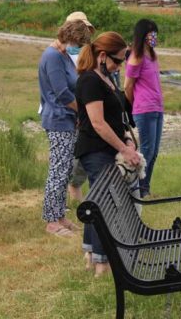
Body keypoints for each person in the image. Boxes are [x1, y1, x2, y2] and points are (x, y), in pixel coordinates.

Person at [75, 31, 142, 276]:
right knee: (105, 205)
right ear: (102, 56)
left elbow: (116, 119)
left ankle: (91, 253)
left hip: (110, 148)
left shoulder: (108, 79)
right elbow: (98, 123)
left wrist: (126, 138)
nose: (120, 66)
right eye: (118, 60)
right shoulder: (89, 81)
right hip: (94, 150)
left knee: (96, 202)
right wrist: (124, 149)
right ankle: (102, 265)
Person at [38, 20, 92, 237]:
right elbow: (62, 93)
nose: (78, 47)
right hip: (58, 119)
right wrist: (83, 111)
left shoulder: (63, 56)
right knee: (58, 171)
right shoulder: (52, 57)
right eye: (78, 43)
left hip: (68, 120)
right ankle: (51, 221)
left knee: (66, 170)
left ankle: (60, 215)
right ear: (69, 37)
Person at [124, 19, 164, 198]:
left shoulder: (152, 55)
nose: (153, 37)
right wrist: (134, 105)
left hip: (157, 108)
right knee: (146, 150)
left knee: (154, 151)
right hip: (144, 109)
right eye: (150, 34)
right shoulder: (135, 57)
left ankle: (144, 187)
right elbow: (127, 86)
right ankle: (138, 189)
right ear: (142, 35)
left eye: (155, 33)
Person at [64, 11, 96, 203]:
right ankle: (71, 198)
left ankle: (79, 197)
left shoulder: (88, 53)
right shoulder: (61, 54)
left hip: (85, 113)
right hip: (70, 114)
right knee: (71, 159)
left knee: (83, 158)